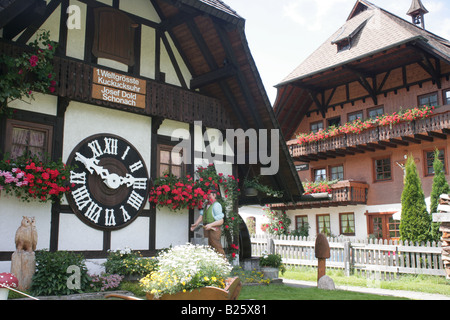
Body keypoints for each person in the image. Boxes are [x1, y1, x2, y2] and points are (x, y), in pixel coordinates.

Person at [190, 189, 226, 257]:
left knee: (216, 245)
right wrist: (196, 224)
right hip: (206, 228)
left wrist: (211, 225)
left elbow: (221, 220)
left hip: (214, 229)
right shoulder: (206, 205)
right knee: (209, 247)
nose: (207, 196)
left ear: (214, 195)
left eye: (209, 194)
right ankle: (213, 263)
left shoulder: (216, 205)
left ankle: (224, 263)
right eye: (207, 194)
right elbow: (202, 215)